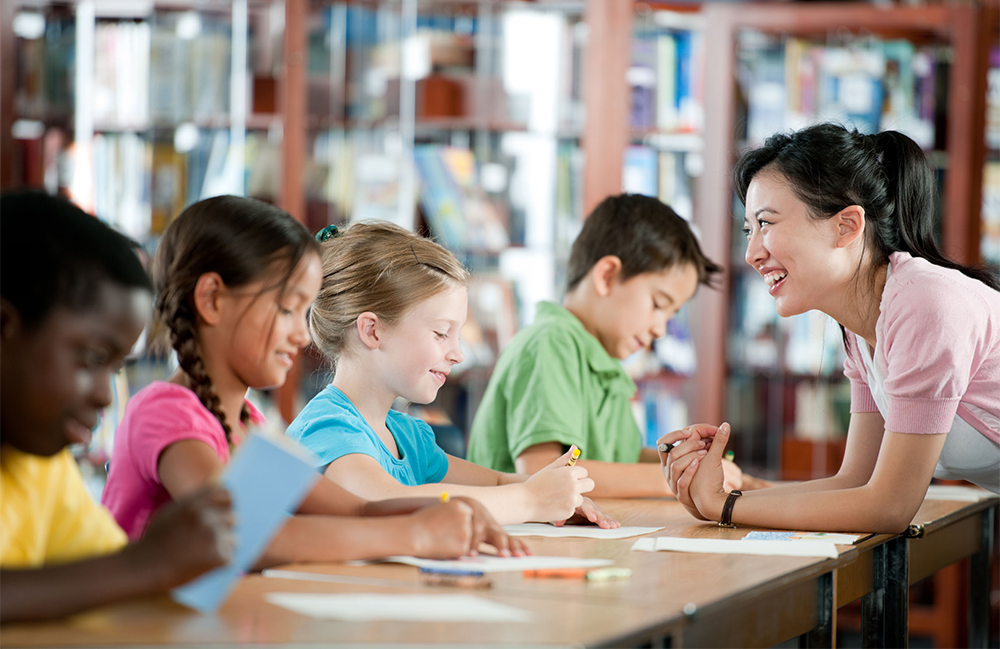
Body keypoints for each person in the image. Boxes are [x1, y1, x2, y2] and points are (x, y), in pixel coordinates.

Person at [102, 196, 523, 563]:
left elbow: (356, 510)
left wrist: (459, 510)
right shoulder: (165, 412)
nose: (303, 335)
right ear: (213, 300)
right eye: (286, 309)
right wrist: (414, 533)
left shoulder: (247, 424)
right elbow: (238, 537)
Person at [662, 123, 1000, 533]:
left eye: (766, 223)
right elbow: (855, 483)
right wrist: (720, 500)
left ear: (847, 226)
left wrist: (725, 508)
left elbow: (889, 508)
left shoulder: (925, 303)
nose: (752, 253)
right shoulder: (864, 323)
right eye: (749, 229)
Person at [288, 220, 618, 527]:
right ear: (372, 331)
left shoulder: (409, 437)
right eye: (441, 333)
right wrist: (530, 500)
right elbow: (383, 500)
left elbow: (498, 482)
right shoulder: (327, 428)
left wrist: (555, 495)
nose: (458, 354)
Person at [0, 191, 234, 623]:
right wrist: (144, 564)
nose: (107, 396)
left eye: (116, 366)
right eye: (91, 358)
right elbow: (124, 572)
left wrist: (158, 562)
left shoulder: (41, 468)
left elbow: (99, 581)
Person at [466, 193, 762, 497]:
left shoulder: (605, 367)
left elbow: (620, 461)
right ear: (606, 276)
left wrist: (692, 465)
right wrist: (673, 480)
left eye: (671, 315)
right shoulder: (550, 343)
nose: (660, 329)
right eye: (659, 304)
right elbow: (542, 472)